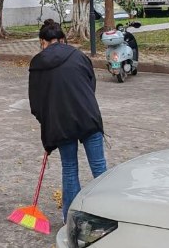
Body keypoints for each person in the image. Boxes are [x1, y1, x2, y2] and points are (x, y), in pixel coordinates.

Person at [28, 19, 106, 222]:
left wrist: (48, 124)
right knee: (99, 167)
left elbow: (36, 103)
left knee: (70, 168)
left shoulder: (37, 63)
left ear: (42, 41)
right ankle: (108, 213)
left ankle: (71, 220)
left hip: (61, 123)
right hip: (88, 116)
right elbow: (91, 84)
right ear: (62, 39)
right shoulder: (79, 55)